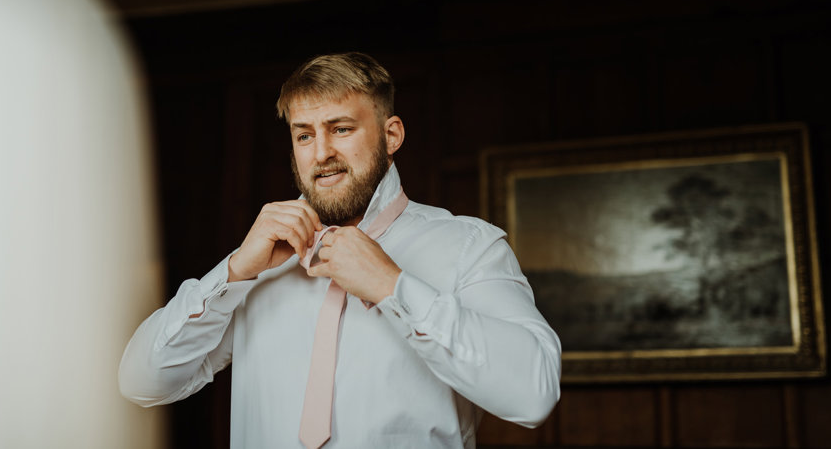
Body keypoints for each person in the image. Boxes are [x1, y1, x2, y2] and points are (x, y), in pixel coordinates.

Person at [119, 52, 561, 448]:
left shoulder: (470, 246)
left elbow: (533, 393)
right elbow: (141, 382)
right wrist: (233, 273)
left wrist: (393, 287)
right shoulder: (259, 262)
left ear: (391, 135)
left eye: (342, 129)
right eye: (304, 135)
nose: (322, 153)